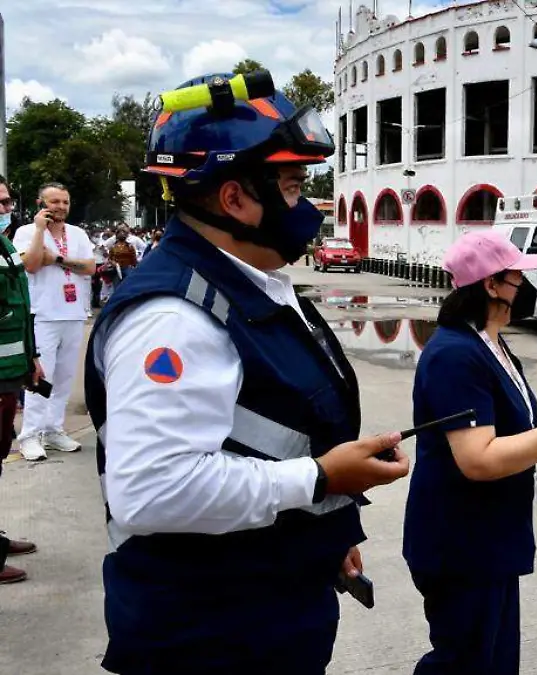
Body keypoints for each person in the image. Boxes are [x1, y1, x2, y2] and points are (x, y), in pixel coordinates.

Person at [83, 72, 412, 673]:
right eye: (291, 186)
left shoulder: (247, 285)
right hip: (207, 636)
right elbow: (152, 493)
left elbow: (265, 427)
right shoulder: (173, 317)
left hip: (266, 608)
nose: (306, 204)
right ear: (235, 198)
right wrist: (317, 479)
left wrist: (325, 537)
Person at [404, 230, 537, 673]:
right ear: (490, 285)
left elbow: (511, 413)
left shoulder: (489, 341)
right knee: (464, 662)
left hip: (491, 538)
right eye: (517, 279)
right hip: (461, 544)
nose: (526, 289)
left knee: (494, 659)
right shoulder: (454, 355)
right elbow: (480, 458)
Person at [12, 183, 95, 461]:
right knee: (40, 378)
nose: (60, 206)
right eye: (54, 201)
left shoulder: (78, 233)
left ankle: (53, 429)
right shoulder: (26, 232)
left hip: (73, 314)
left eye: (65, 201)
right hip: (43, 314)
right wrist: (38, 230)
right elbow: (32, 264)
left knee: (64, 378)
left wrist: (57, 258)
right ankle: (30, 436)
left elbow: (90, 267)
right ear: (41, 204)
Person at [0, 175, 41, 584]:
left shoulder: (6, 244)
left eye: (8, 201)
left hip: (10, 372)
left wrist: (33, 357)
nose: (5, 209)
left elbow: (17, 306)